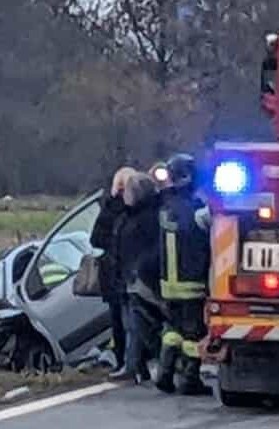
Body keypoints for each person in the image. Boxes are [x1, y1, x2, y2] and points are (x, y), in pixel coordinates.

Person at [155, 153, 212, 396]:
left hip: (168, 284)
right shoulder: (197, 210)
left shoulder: (164, 207)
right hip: (191, 284)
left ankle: (164, 373)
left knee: (172, 330)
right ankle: (190, 379)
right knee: (193, 335)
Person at [121, 169, 166, 385]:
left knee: (142, 324)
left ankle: (153, 363)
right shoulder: (139, 215)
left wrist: (141, 270)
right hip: (136, 277)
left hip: (143, 278)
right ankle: (137, 365)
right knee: (136, 325)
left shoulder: (146, 218)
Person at [90, 166, 134, 378]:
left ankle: (123, 361)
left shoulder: (109, 210)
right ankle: (133, 362)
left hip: (113, 274)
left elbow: (95, 239)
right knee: (131, 322)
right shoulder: (136, 209)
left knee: (119, 322)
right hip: (128, 274)